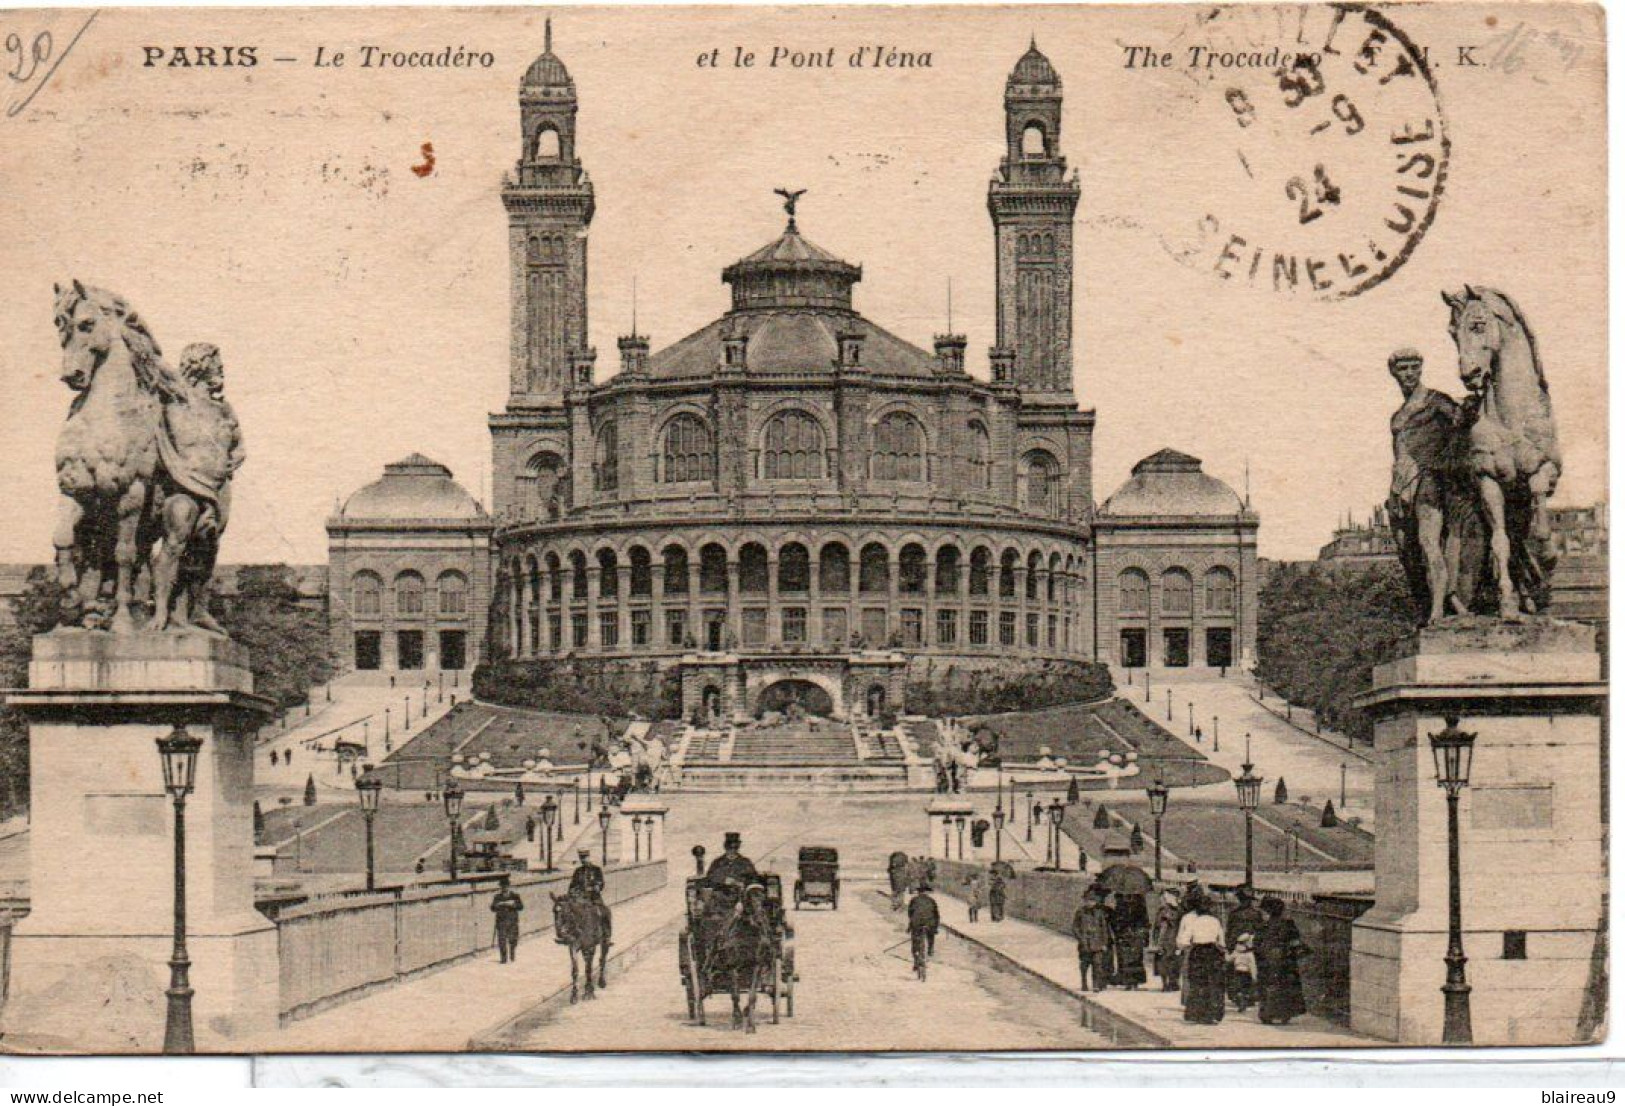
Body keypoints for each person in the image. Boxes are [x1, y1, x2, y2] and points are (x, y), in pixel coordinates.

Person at [1254, 896, 1309, 1025]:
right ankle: (1285, 1013)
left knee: (1268, 985)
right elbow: (1296, 941)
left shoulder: (1264, 925)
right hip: (1286, 959)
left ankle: (1267, 1013)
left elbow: (1257, 943)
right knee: (1286, 986)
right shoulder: (1288, 924)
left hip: (1268, 958)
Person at [1176, 894, 1227, 1024]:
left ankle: (1198, 1013)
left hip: (1198, 952)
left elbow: (1183, 941)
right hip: (1213, 952)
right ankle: (1213, 1013)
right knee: (1213, 983)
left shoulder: (1195, 922)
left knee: (1198, 983)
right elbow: (1221, 942)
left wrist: (1189, 945)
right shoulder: (1216, 921)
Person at [1070, 886, 1113, 992]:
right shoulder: (1080, 912)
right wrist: (1080, 938)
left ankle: (1096, 985)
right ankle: (1084, 982)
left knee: (1097, 964)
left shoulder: (1099, 913)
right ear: (1084, 901)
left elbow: (1104, 929)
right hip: (1085, 943)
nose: (1090, 903)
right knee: (1084, 964)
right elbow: (1075, 927)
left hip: (1097, 943)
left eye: (1092, 901)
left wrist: (1104, 943)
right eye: (1088, 901)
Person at [1109, 884, 1150, 990]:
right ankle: (1128, 981)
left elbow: (1144, 919)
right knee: (1127, 958)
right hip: (1127, 934)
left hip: (1133, 934)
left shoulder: (1138, 903)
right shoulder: (1122, 902)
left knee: (1134, 958)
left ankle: (1132, 982)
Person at [1152, 889, 1183, 992]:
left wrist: (1170, 919)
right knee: (1162, 961)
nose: (1163, 900)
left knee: (1174, 961)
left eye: (1165, 897)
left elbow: (1181, 924)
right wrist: (1155, 940)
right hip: (1163, 939)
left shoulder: (1178, 910)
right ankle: (1165, 983)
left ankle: (1173, 982)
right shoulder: (1161, 910)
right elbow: (1156, 925)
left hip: (1174, 938)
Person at [907, 881, 940, 973]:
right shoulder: (932, 901)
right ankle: (930, 949)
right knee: (931, 935)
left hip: (916, 924)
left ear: (919, 892)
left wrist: (911, 924)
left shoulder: (914, 900)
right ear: (927, 892)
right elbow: (936, 915)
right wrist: (936, 927)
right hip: (929, 924)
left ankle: (916, 960)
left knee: (915, 941)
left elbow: (910, 913)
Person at [490, 875, 524, 964]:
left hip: (512, 921)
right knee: (502, 940)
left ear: (509, 886)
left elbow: (521, 907)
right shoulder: (497, 897)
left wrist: (512, 905)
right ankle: (503, 959)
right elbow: (492, 908)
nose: (504, 888)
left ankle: (512, 953)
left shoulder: (515, 896)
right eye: (502, 886)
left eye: (505, 886)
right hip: (501, 922)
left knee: (513, 940)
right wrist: (499, 904)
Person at [1228, 931, 1257, 1011]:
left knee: (1238, 988)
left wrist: (1225, 954)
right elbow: (1252, 965)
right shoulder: (1249, 954)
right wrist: (1254, 976)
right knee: (1246, 988)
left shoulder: (1236, 952)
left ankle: (1240, 999)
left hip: (1237, 971)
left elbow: (1229, 959)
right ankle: (1244, 1000)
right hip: (1246, 973)